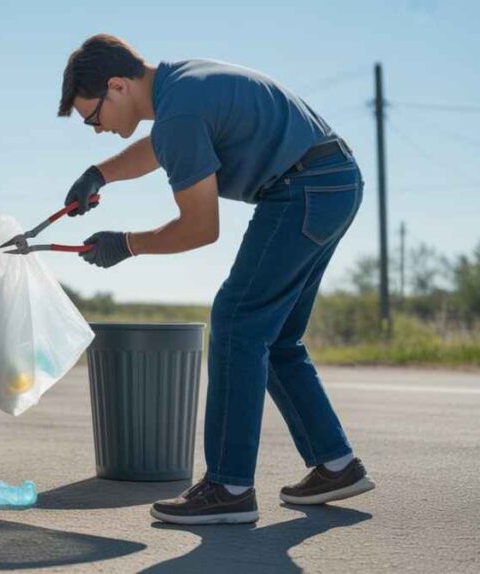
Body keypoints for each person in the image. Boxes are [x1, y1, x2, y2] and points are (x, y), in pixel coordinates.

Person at [58, 34, 375, 525]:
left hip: (303, 190)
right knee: (277, 338)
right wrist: (98, 174)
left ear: (116, 87)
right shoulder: (180, 85)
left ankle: (228, 486)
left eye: (92, 117)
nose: (95, 129)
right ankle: (335, 463)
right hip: (331, 180)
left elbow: (201, 229)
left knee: (236, 323)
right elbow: (160, 147)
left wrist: (126, 244)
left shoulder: (179, 112)